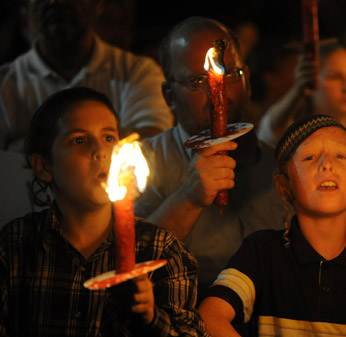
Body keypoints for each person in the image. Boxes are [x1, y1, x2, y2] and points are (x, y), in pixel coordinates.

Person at [0, 87, 208, 336]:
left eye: (109, 138)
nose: (101, 152)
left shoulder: (163, 250)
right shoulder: (14, 246)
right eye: (79, 140)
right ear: (43, 166)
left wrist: (151, 319)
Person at [199, 114, 346, 337]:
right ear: (284, 186)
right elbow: (208, 318)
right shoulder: (262, 252)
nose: (326, 164)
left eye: (340, 156)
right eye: (309, 157)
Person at [134, 16, 286, 301]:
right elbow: (130, 264)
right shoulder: (142, 164)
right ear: (169, 95)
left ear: (248, 80)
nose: (217, 92)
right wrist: (188, 197)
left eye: (229, 76)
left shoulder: (281, 165)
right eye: (196, 81)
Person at [0, 0, 173, 152]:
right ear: (26, 11)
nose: (57, 2)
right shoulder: (4, 84)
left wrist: (25, 146)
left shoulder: (139, 73)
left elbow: (151, 139)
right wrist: (109, 140)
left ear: (98, 5)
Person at [258, 40, 346, 230]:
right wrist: (297, 90)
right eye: (335, 77)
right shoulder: (295, 140)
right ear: (312, 83)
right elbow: (268, 131)